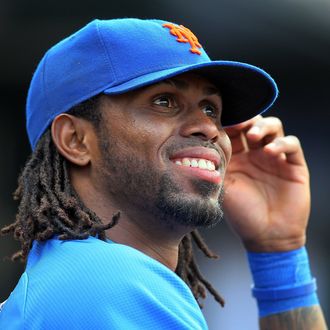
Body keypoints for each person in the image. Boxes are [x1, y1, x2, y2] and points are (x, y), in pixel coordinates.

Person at [0, 18, 327, 329]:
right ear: (76, 140)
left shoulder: (77, 277)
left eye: (211, 108)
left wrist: (279, 251)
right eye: (164, 101)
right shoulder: (109, 283)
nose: (208, 128)